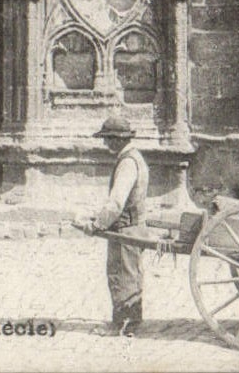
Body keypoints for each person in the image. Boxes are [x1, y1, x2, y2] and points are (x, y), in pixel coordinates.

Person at [80, 111, 149, 337]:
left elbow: (117, 202)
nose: (105, 143)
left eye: (107, 138)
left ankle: (122, 325)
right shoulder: (135, 157)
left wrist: (97, 224)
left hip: (125, 228)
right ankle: (132, 321)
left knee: (121, 274)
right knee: (131, 273)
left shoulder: (127, 163)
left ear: (118, 139)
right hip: (134, 225)